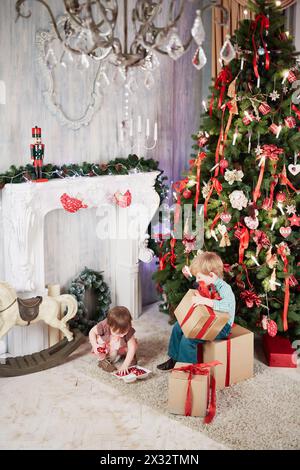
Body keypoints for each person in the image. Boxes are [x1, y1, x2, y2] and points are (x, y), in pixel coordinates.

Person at [157, 251, 236, 370]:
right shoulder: (209, 284)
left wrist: (206, 301)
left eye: (199, 277)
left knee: (188, 338)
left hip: (221, 327)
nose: (197, 280)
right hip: (208, 321)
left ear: (211, 275)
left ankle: (187, 369)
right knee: (179, 326)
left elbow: (226, 305)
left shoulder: (225, 288)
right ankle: (174, 359)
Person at [89, 306, 138, 374]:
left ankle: (129, 358)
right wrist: (94, 345)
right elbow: (92, 332)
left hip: (121, 346)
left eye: (124, 332)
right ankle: (102, 360)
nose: (121, 335)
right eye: (118, 333)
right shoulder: (104, 325)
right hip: (109, 345)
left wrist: (125, 365)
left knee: (133, 344)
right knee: (99, 341)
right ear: (109, 325)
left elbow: (132, 347)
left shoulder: (128, 329)